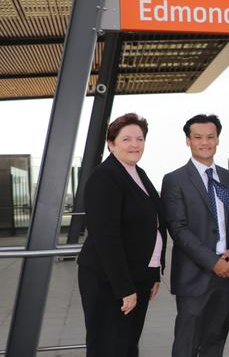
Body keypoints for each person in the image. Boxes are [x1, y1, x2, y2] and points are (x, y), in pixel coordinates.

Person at [77, 113, 166, 357]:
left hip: (138, 274)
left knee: (127, 346)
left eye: (139, 139)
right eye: (126, 139)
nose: (135, 144)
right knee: (109, 346)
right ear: (111, 143)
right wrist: (124, 288)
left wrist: (154, 271)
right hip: (109, 281)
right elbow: (107, 237)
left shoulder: (138, 173)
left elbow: (153, 224)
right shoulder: (105, 177)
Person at [161, 114, 229, 357]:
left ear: (218, 139)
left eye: (210, 137)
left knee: (215, 342)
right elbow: (178, 229)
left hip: (226, 275)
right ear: (188, 141)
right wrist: (213, 262)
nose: (205, 142)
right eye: (198, 137)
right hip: (194, 276)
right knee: (186, 345)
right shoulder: (174, 180)